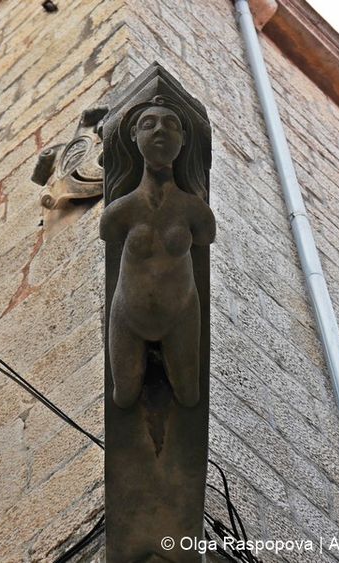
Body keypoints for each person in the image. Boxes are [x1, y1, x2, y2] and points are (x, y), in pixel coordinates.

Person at [100, 99, 215, 409]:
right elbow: (108, 235)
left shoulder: (195, 212)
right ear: (134, 135)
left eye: (172, 125)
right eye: (149, 125)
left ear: (184, 139)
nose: (161, 130)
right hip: (128, 313)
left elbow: (206, 236)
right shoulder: (120, 212)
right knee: (123, 398)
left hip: (181, 315)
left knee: (189, 396)